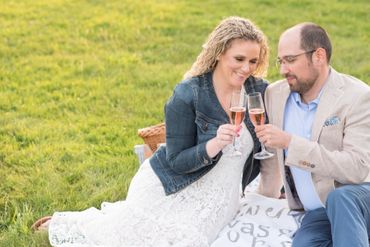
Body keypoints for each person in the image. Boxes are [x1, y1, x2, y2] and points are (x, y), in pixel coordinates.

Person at [32, 16, 281, 246]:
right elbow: (176, 161)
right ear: (219, 54)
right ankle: (71, 224)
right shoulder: (187, 94)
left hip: (220, 198)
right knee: (123, 236)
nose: (246, 68)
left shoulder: (259, 92)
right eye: (239, 59)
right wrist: (213, 145)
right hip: (173, 184)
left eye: (253, 61)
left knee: (185, 240)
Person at [255, 22, 370, 246]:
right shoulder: (274, 95)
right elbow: (271, 156)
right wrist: (265, 194)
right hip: (318, 213)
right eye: (281, 61)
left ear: (319, 56)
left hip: (360, 201)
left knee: (341, 197)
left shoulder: (358, 97)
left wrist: (291, 143)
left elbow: (357, 169)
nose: (283, 70)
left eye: (290, 60)